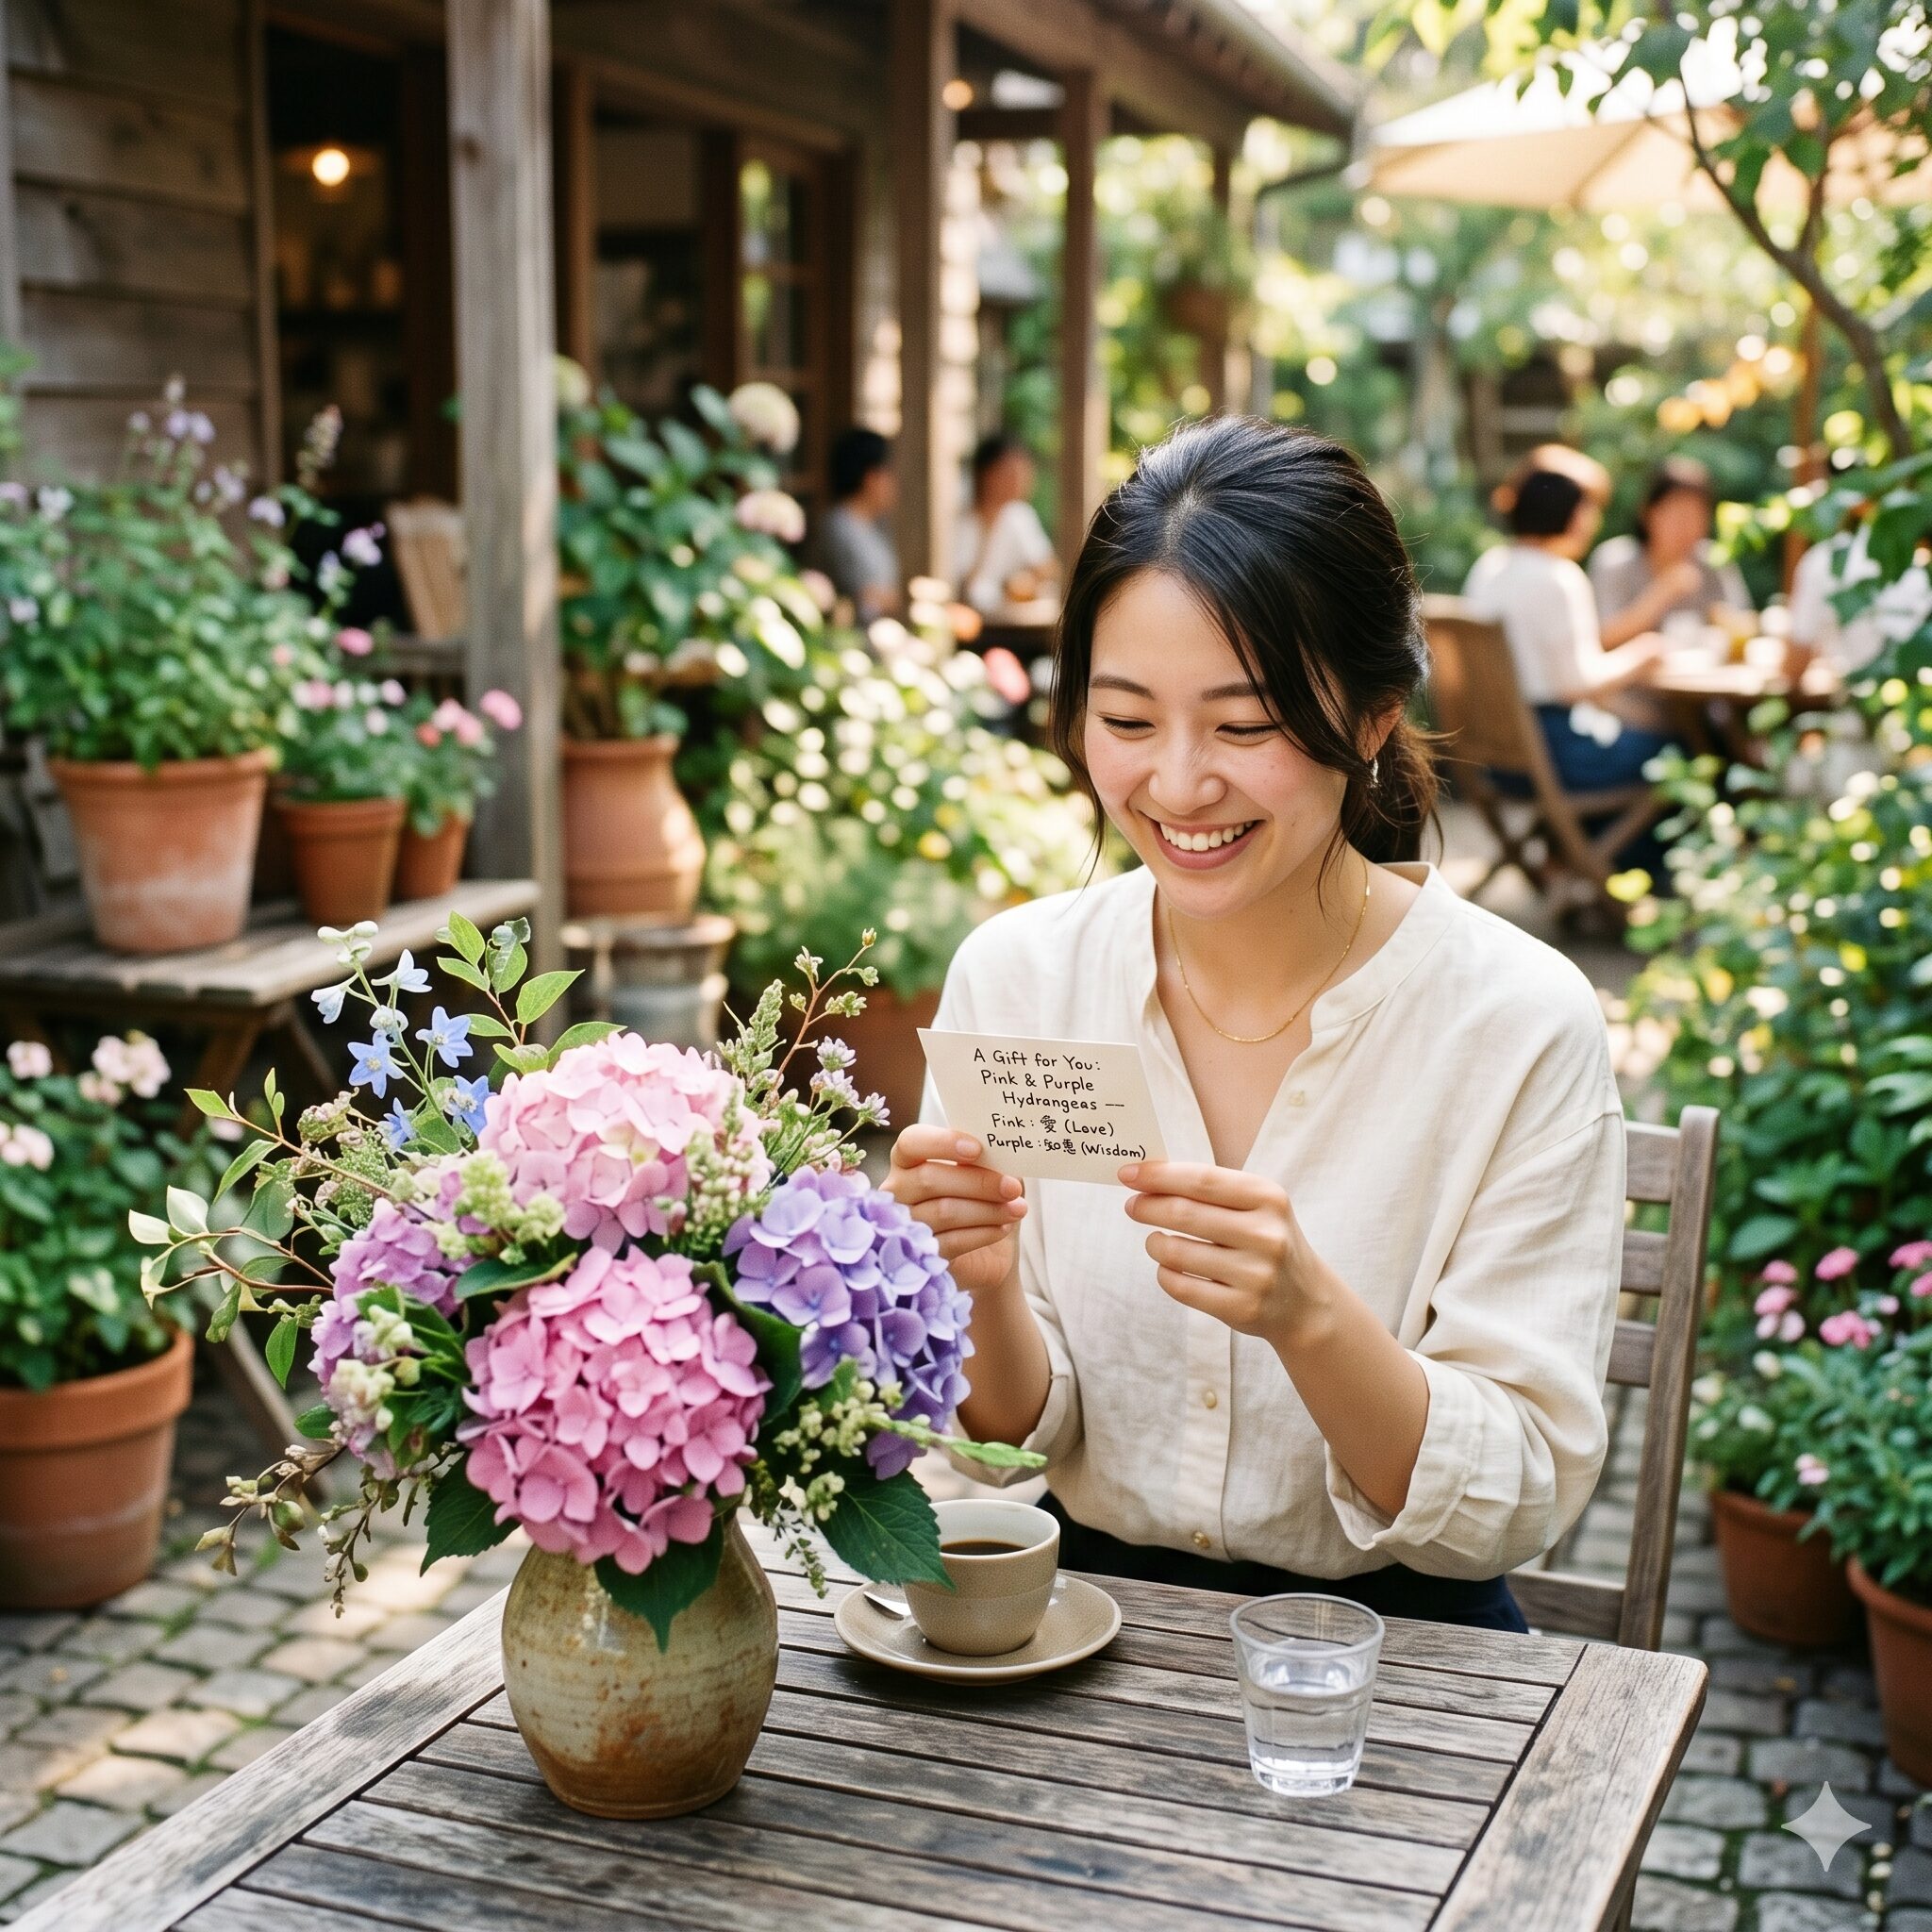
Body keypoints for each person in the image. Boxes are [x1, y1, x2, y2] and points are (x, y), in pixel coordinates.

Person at [885, 416, 1624, 1633]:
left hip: (1404, 1657)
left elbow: (1513, 1493)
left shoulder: (1513, 1022)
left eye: (1242, 725)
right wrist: (978, 1286)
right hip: (1074, 1627)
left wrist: (1308, 1318)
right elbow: (1007, 1448)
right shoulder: (1018, 979)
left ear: (1373, 717)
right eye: (1127, 722)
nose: (1179, 785)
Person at [1463, 445, 1675, 792]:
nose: (1594, 521)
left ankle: (1575, 832)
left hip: (1498, 759)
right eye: (1588, 508)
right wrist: (1642, 656)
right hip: (1555, 754)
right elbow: (1577, 684)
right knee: (1678, 747)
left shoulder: (1489, 567)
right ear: (1568, 512)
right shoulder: (1559, 578)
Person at [1590, 456, 1752, 648]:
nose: (1687, 527)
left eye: (1696, 515)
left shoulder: (1714, 559)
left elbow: (1746, 624)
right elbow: (1601, 639)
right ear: (1648, 513)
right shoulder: (1615, 560)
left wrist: (1723, 618)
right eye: (1678, 515)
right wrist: (1662, 593)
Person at [956, 434, 1058, 619]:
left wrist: (1021, 582)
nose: (1020, 480)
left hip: (1010, 621)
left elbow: (1047, 568)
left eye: (1023, 471)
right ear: (986, 474)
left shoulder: (1019, 516)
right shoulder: (960, 521)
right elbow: (961, 587)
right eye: (1010, 472)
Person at [822, 427, 902, 622]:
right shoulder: (838, 528)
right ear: (871, 478)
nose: (894, 483)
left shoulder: (875, 524)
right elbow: (861, 598)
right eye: (889, 473)